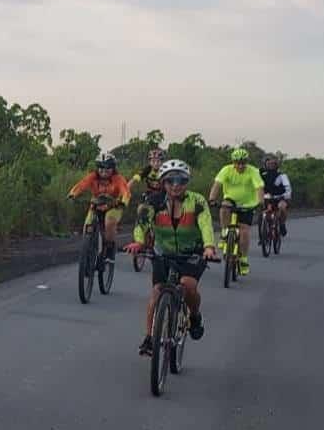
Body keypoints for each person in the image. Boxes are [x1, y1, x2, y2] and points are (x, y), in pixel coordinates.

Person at [125, 159, 218, 356]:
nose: (176, 185)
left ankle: (194, 316)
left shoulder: (197, 201)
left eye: (181, 180)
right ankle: (150, 338)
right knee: (158, 291)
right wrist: (139, 242)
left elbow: (206, 224)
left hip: (192, 252)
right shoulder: (152, 202)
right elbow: (141, 223)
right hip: (163, 251)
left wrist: (209, 246)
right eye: (170, 181)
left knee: (188, 285)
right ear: (162, 182)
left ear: (187, 182)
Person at [208, 148, 264, 277]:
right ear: (233, 162)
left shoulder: (253, 171)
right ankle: (224, 233)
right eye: (237, 163)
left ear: (246, 162)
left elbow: (259, 187)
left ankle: (243, 259)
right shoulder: (226, 169)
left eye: (243, 163)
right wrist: (211, 198)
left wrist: (260, 202)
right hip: (231, 200)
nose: (240, 166)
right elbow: (217, 185)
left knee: (244, 231)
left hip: (248, 203)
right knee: (224, 207)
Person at [68, 152, 130, 261]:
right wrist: (73, 194)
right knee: (87, 226)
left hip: (114, 205)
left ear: (113, 168)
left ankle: (110, 249)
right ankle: (88, 251)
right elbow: (82, 185)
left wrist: (123, 202)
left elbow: (126, 191)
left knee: (109, 222)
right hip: (96, 204)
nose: (104, 171)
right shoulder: (93, 176)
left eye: (107, 168)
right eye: (101, 167)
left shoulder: (118, 178)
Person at [259, 154, 292, 236]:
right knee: (262, 215)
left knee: (282, 207)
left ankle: (282, 224)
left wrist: (286, 195)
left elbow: (287, 187)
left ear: (276, 165)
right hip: (266, 197)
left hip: (280, 197)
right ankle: (262, 236)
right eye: (269, 164)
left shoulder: (281, 175)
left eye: (273, 164)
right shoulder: (260, 174)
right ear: (265, 164)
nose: (271, 165)